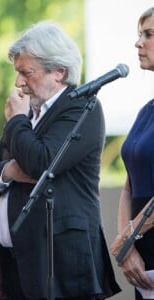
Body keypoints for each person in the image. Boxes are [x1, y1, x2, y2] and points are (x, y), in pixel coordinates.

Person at [0, 20, 121, 300]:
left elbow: (42, 162)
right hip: (15, 263)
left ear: (59, 72)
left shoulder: (82, 107)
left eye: (26, 73)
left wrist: (17, 121)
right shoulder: (28, 114)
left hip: (60, 264)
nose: (18, 83)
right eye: (17, 73)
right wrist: (9, 170)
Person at [110, 6, 154, 300]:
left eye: (149, 35)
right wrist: (127, 246)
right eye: (139, 35)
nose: (138, 43)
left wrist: (128, 238)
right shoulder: (145, 111)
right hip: (143, 253)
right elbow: (129, 183)